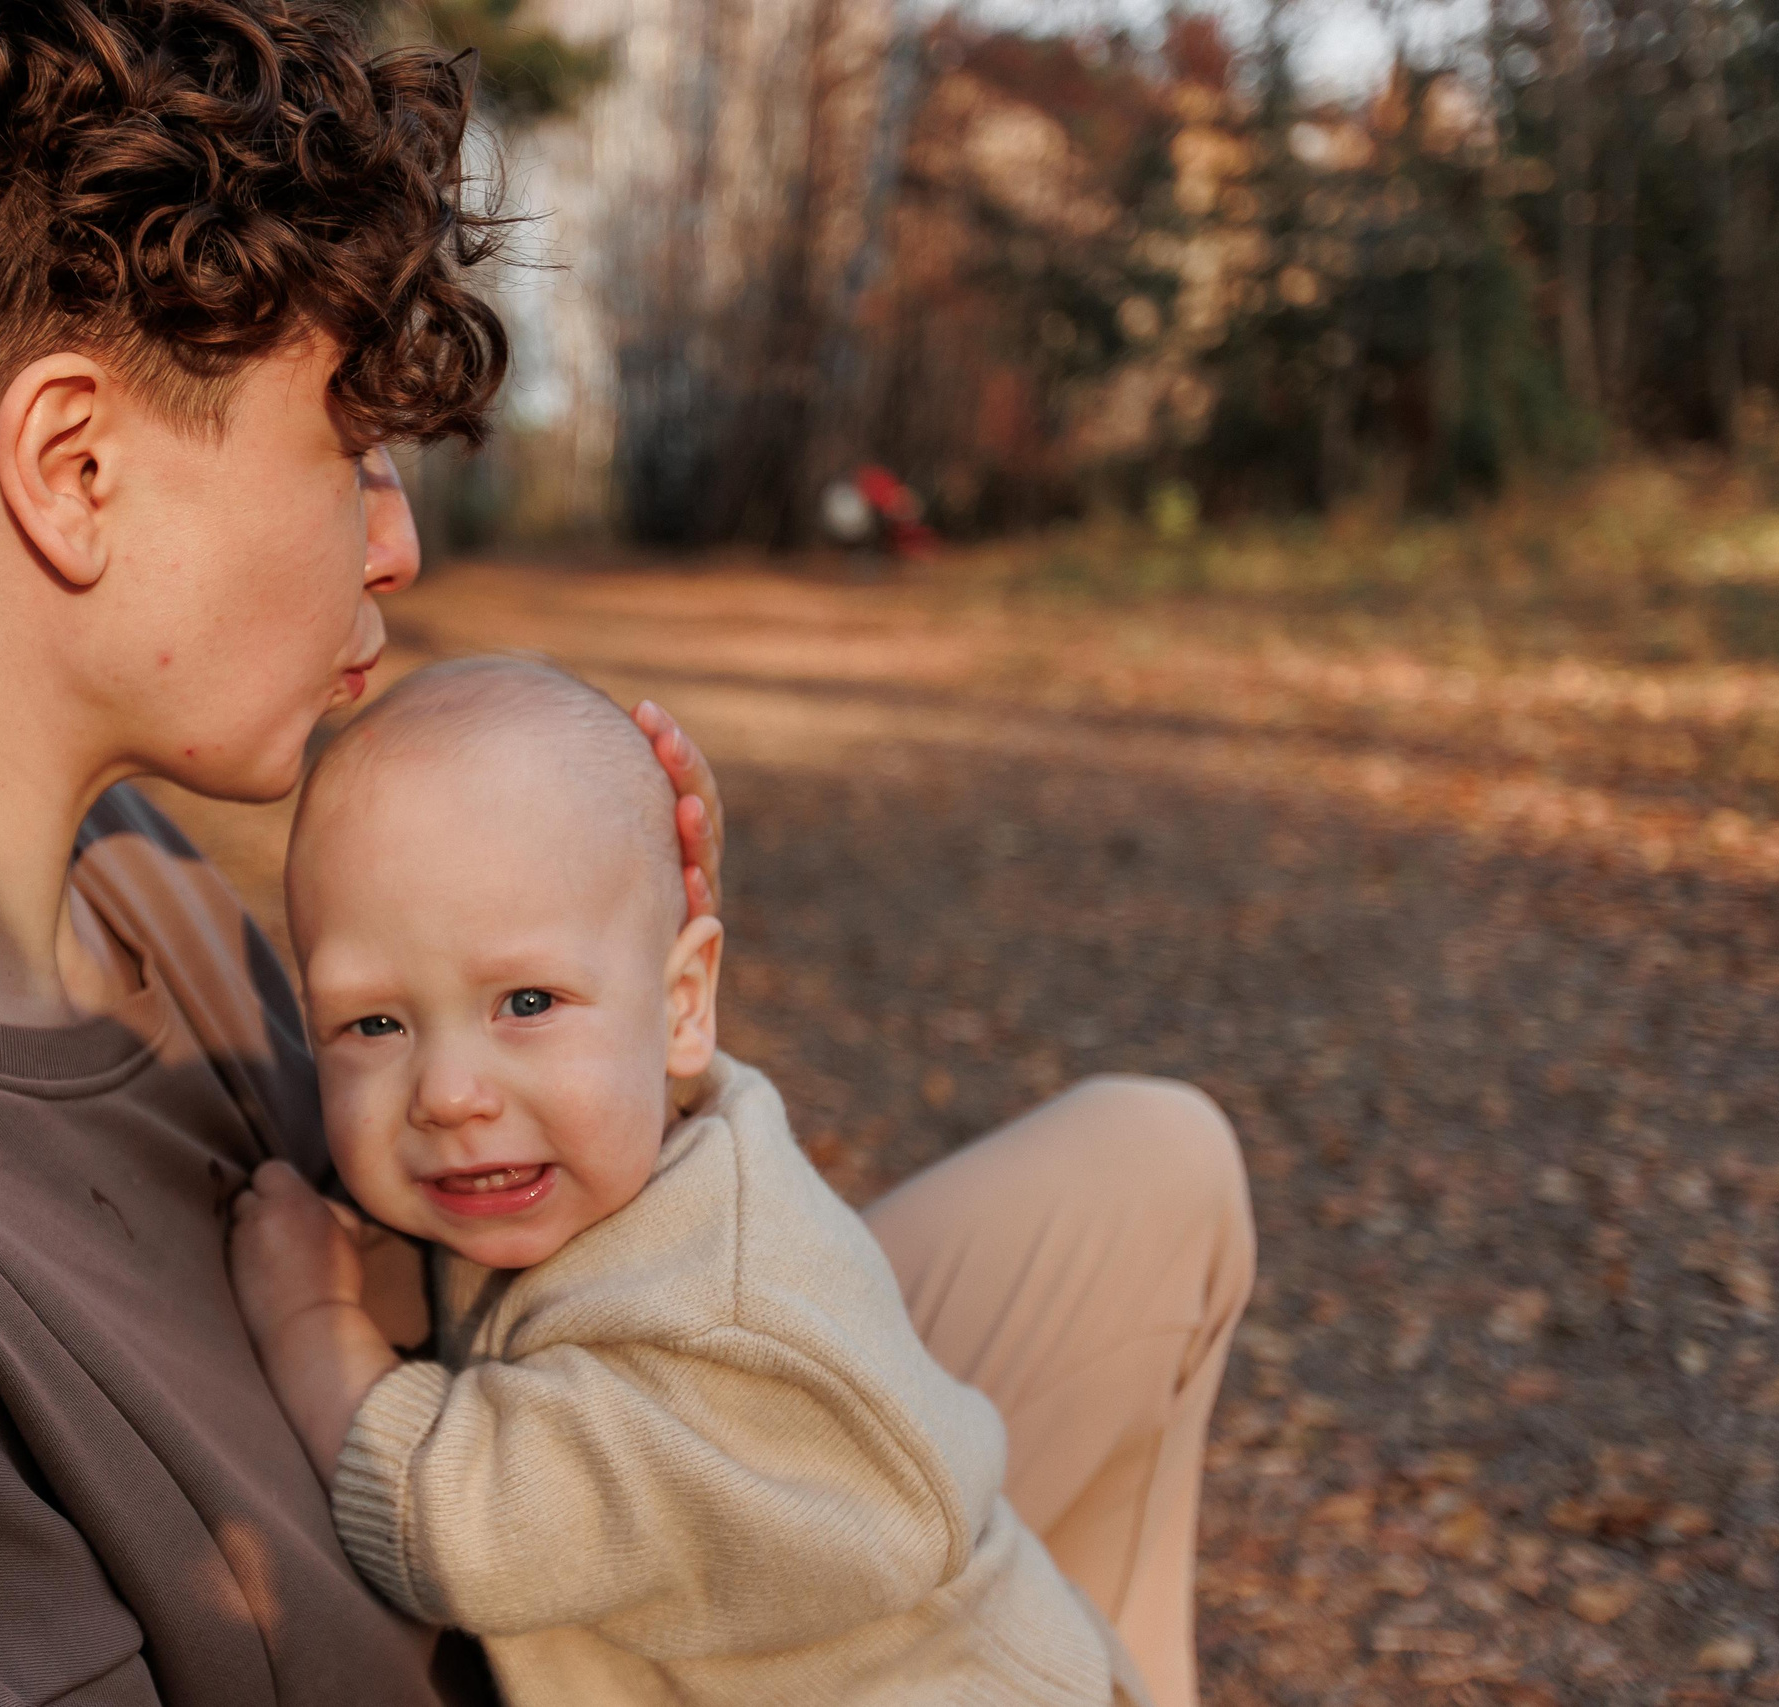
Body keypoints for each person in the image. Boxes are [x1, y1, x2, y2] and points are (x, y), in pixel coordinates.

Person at [0, 0, 1252, 1702]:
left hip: (563, 1537)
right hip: (518, 1596)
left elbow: (482, 1238)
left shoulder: (121, 862)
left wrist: (608, 976)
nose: (397, 539)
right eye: (346, 447)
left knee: (1156, 1174)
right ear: (74, 464)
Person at [229, 656, 1152, 1706]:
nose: (446, 1092)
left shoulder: (719, 1328)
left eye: (526, 1003)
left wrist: (310, 1319)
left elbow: (459, 1527)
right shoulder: (601, 1151)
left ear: (680, 1007)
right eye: (374, 1025)